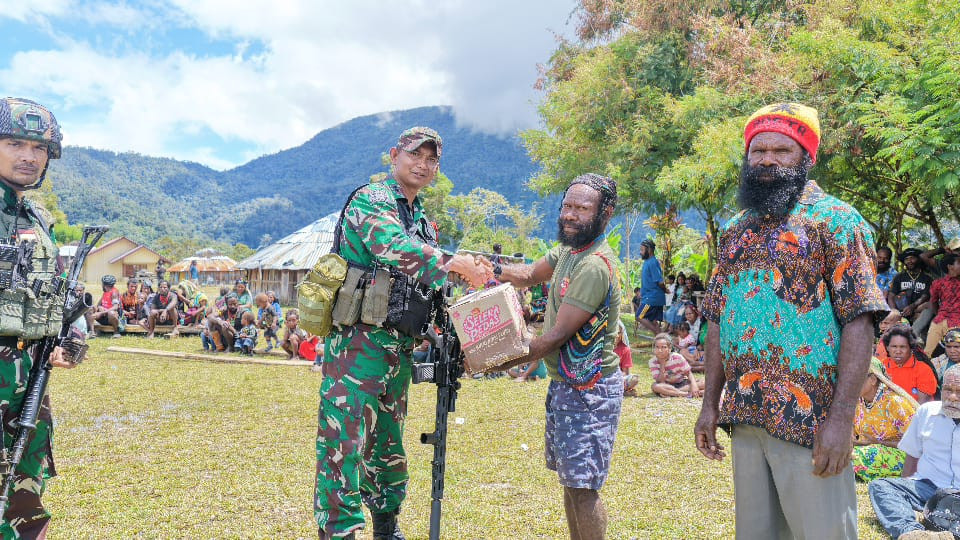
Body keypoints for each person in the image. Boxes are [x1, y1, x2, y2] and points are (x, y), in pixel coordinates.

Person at [694, 103, 888, 539]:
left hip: (812, 421)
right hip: (746, 414)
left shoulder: (838, 222)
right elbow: (719, 319)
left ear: (807, 157)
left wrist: (841, 419)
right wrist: (709, 404)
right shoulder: (736, 229)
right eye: (757, 150)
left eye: (782, 150)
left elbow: (861, 321)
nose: (766, 159)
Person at [314, 127, 487, 540]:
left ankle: (386, 527)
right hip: (357, 345)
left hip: (399, 349)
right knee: (344, 444)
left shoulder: (423, 219)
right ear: (395, 155)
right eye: (416, 155)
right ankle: (339, 533)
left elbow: (426, 287)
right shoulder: (370, 200)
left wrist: (449, 331)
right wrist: (458, 262)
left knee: (388, 446)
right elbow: (395, 249)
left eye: (432, 161)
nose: (423, 165)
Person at [493, 173, 622, 540]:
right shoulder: (569, 251)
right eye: (567, 206)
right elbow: (530, 274)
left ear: (605, 213)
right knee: (571, 482)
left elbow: (556, 336)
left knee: (584, 488)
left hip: (590, 391)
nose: (570, 215)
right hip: (566, 384)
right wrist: (490, 270)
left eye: (582, 209)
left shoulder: (594, 265)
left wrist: (495, 360)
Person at [0, 97, 80, 537]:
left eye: (39, 149)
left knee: (25, 498)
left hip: (28, 381)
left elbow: (54, 290)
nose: (29, 156)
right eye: (15, 144)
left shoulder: (38, 219)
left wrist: (69, 334)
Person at [867, 364, 960, 540]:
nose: (952, 397)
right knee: (881, 486)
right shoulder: (926, 412)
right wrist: (904, 487)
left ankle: (950, 533)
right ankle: (911, 532)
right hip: (929, 487)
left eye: (959, 391)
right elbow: (912, 454)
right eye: (948, 390)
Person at [852, 357, 919, 482]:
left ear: (872, 379)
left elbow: (916, 444)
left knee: (854, 456)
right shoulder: (859, 400)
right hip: (868, 449)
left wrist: (879, 443)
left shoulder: (894, 402)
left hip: (903, 457)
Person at [882, 325, 938, 404]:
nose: (898, 351)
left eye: (903, 347)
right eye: (894, 346)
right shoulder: (882, 366)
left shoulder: (924, 370)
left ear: (911, 348)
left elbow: (921, 404)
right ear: (887, 347)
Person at [923, 253, 960, 356]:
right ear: (950, 267)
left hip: (957, 321)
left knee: (956, 354)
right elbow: (933, 301)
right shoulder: (938, 283)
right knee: (928, 353)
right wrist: (939, 314)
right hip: (940, 320)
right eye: (959, 263)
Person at [650, 333, 701, 398]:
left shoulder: (677, 357)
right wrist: (662, 364)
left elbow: (689, 373)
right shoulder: (653, 361)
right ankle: (685, 394)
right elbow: (660, 381)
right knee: (655, 386)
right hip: (666, 385)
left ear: (670, 348)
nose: (660, 350)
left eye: (664, 347)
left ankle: (671, 393)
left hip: (682, 383)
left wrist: (694, 385)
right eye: (657, 347)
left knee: (703, 383)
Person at [889, 248, 933, 324]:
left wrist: (912, 307)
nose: (909, 261)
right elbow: (891, 295)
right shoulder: (899, 277)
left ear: (918, 259)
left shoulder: (927, 278)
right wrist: (894, 311)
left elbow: (925, 296)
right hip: (901, 311)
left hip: (918, 309)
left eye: (912, 258)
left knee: (927, 307)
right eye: (906, 259)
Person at [636, 238, 666, 335]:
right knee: (653, 322)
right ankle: (662, 340)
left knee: (639, 316)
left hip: (652, 298)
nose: (640, 252)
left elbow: (659, 281)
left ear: (649, 250)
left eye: (642, 249)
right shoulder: (648, 262)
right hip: (649, 296)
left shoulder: (653, 262)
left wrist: (666, 290)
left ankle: (658, 335)